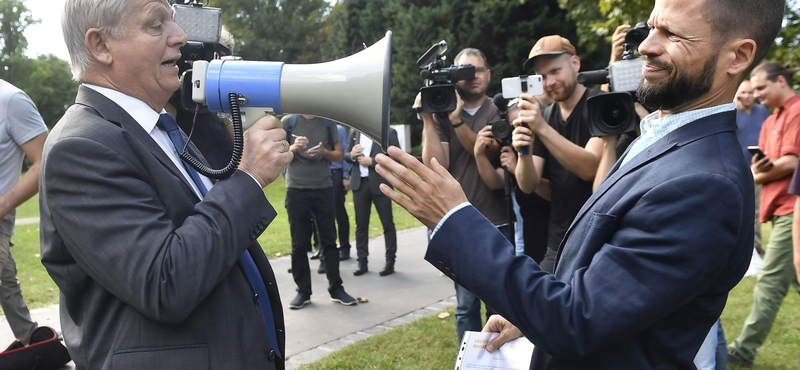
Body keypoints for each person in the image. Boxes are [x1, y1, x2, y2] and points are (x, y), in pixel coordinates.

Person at [373, 0, 784, 367]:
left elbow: (576, 323)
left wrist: (454, 219)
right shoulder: (667, 136)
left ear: (737, 56)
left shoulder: (705, 185)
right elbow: (601, 280)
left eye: (672, 34)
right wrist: (529, 311)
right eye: (652, 27)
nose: (646, 46)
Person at [40, 1, 294, 368]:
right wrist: (249, 177)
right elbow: (165, 283)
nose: (180, 37)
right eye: (156, 25)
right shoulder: (80, 147)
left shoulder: (158, 126)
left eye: (172, 22)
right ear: (100, 46)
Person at [416, 47, 507, 343]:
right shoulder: (441, 114)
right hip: (459, 221)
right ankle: (469, 361)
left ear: (489, 75)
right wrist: (429, 120)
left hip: (497, 221)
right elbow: (435, 164)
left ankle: (501, 362)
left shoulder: (498, 110)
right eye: (465, 71)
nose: (474, 77)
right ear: (453, 77)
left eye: (478, 70)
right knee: (466, 306)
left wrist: (456, 119)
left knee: (501, 304)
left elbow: (489, 153)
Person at [728, 61, 800, 368]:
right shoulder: (773, 118)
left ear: (781, 81)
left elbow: (791, 162)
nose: (756, 95)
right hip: (778, 206)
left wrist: (753, 176)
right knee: (793, 278)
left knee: (770, 281)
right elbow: (767, 163)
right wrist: (758, 170)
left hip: (791, 207)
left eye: (761, 88)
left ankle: (743, 350)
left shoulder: (796, 112)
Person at [512, 35, 604, 273]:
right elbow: (528, 184)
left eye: (555, 71)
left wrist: (542, 128)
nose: (550, 82)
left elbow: (589, 168)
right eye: (542, 77)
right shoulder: (547, 115)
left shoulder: (600, 104)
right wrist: (523, 150)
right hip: (559, 240)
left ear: (575, 63)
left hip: (599, 237)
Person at [282, 114, 357, 309]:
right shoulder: (289, 122)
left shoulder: (327, 122)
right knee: (299, 244)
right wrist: (293, 148)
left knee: (329, 241)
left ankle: (336, 289)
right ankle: (303, 292)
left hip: (324, 188)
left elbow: (339, 155)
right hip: (296, 190)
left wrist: (324, 152)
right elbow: (278, 154)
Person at [0, 80, 47, 345]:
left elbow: (45, 160)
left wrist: (3, 205)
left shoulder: (11, 101)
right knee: (7, 282)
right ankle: (33, 340)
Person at [474, 101, 551, 262]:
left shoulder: (547, 143)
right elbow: (495, 182)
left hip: (552, 225)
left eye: (526, 125)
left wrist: (517, 167)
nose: (521, 132)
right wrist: (479, 154)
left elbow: (550, 190)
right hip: (530, 229)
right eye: (514, 127)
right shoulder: (509, 146)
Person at [344, 127, 400, 276]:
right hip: (359, 184)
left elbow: (396, 158)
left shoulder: (388, 132)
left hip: (380, 184)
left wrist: (373, 161)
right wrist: (352, 155)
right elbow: (346, 155)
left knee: (387, 224)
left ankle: (390, 262)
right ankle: (362, 262)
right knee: (361, 225)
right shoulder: (355, 132)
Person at [736, 80, 770, 255]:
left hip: (759, 166)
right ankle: (738, 246)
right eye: (743, 93)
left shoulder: (762, 110)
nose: (747, 96)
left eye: (750, 92)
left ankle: (755, 244)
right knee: (738, 207)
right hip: (738, 167)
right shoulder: (733, 112)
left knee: (756, 208)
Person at [331, 125, 353, 261]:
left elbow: (345, 153)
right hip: (318, 175)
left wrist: (345, 176)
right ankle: (326, 249)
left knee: (339, 212)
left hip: (335, 175)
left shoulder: (338, 130)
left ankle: (345, 247)